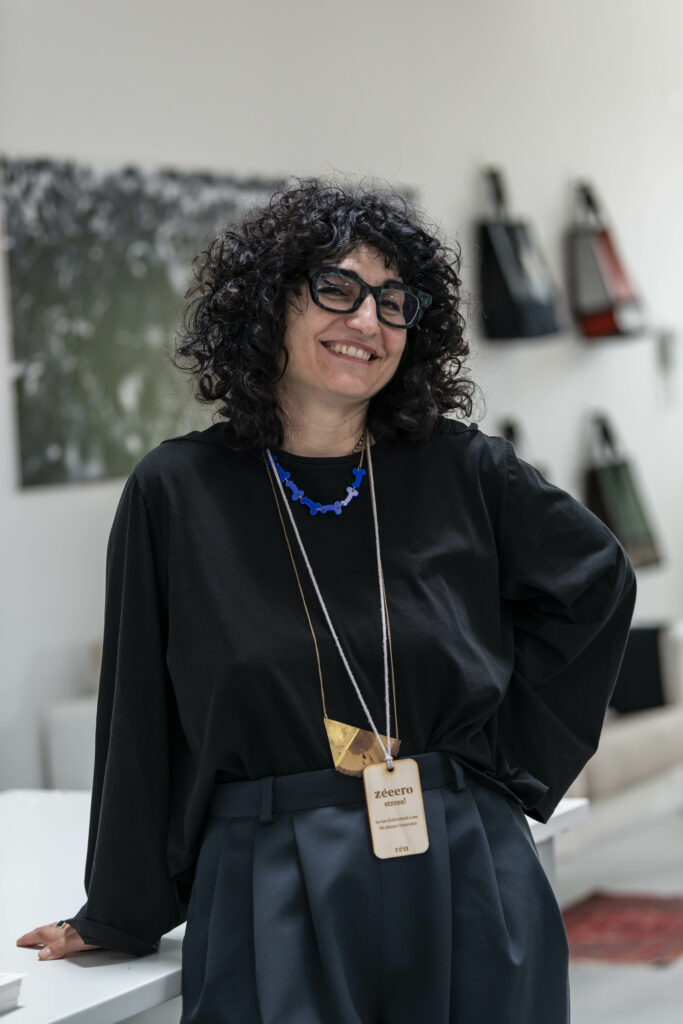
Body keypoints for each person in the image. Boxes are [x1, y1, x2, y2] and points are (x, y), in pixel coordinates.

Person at [16, 179, 637, 1023]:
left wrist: (500, 767)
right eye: (336, 288)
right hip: (267, 877)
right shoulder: (179, 492)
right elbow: (140, 714)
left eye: (393, 300)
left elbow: (596, 586)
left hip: (464, 858)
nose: (367, 320)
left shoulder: (466, 471)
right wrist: (119, 911)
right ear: (268, 305)